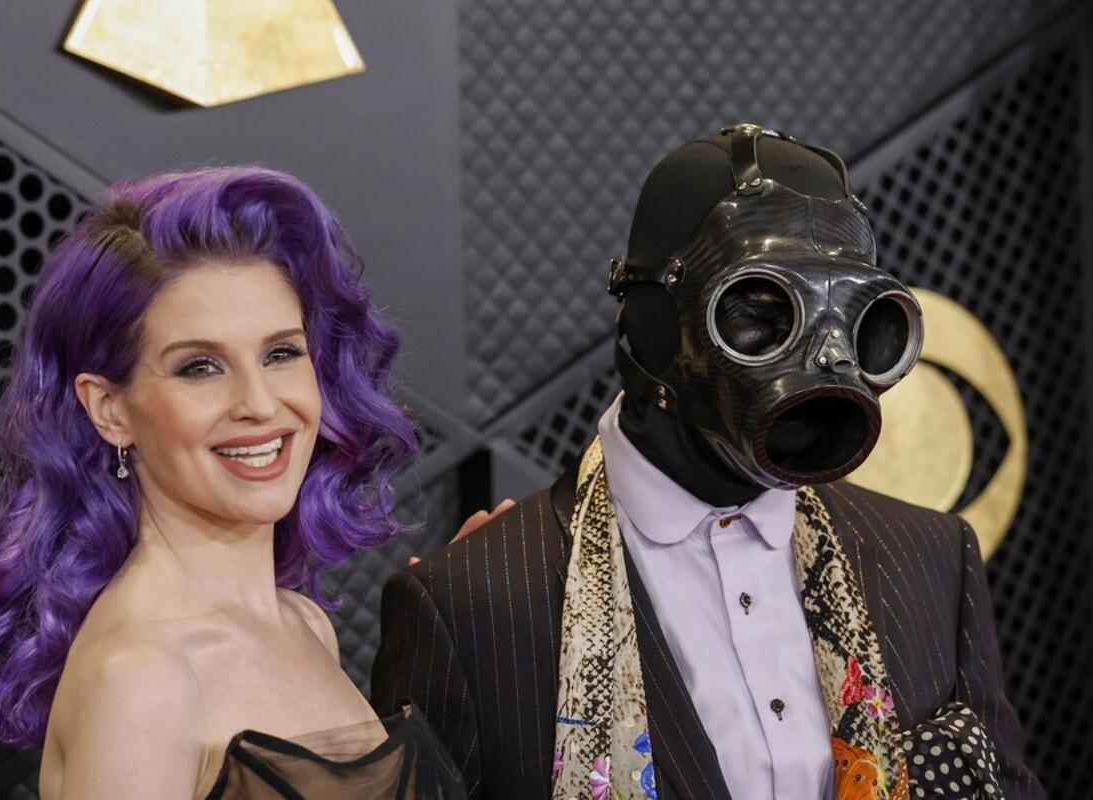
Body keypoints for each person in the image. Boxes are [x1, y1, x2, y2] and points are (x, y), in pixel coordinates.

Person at [371, 126, 1044, 799]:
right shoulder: (477, 606)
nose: (823, 359)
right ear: (653, 317)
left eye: (853, 319)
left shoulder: (929, 559)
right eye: (758, 313)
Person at [0, 167, 465, 799]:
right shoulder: (139, 677)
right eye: (200, 367)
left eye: (281, 354)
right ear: (109, 409)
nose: (260, 404)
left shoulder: (302, 623)